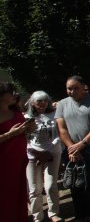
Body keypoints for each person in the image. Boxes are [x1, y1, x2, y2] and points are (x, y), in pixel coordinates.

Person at [55, 75, 90, 222]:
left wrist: (83, 143)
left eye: (76, 88)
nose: (72, 91)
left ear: (84, 87)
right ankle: (80, 214)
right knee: (75, 184)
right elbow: (62, 129)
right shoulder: (62, 104)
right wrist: (72, 148)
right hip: (70, 151)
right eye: (69, 88)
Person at [0, 82, 35, 222]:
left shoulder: (16, 112)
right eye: (11, 92)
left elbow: (26, 134)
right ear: (1, 96)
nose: (15, 95)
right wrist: (11, 134)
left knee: (17, 195)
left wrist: (30, 128)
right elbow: (13, 134)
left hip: (18, 161)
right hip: (3, 164)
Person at [26, 91, 63, 222]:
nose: (42, 103)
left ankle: (53, 213)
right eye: (39, 101)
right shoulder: (26, 117)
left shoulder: (55, 114)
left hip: (53, 153)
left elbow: (60, 134)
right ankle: (37, 217)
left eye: (45, 100)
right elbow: (25, 140)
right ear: (32, 103)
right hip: (33, 156)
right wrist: (38, 153)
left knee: (51, 185)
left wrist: (48, 150)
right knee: (35, 189)